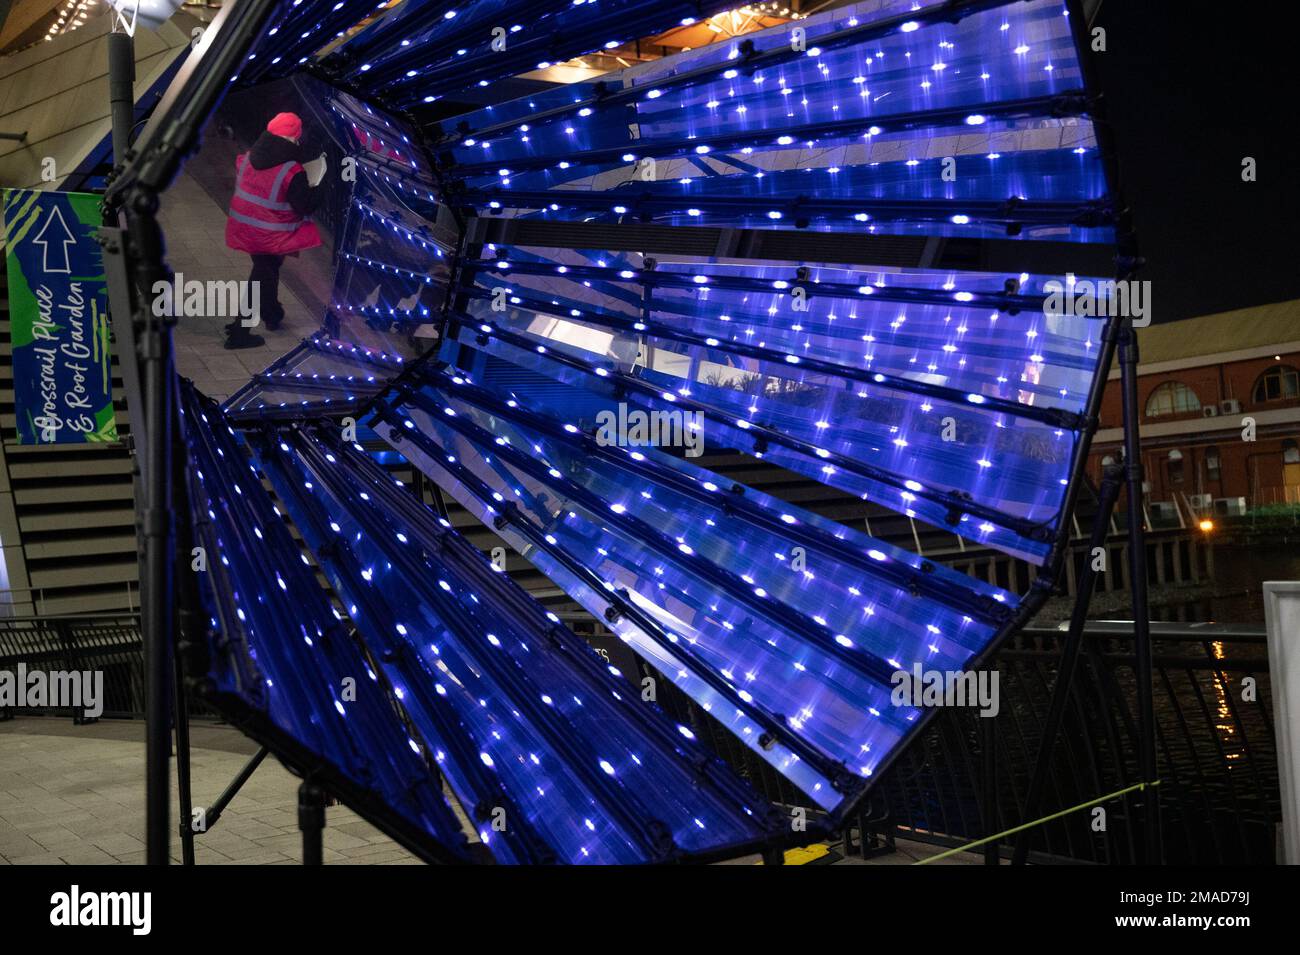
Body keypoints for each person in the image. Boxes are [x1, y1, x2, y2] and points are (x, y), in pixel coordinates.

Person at [223, 111, 325, 349]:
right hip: (270, 233)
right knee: (262, 275)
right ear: (294, 138)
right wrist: (320, 187)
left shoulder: (250, 157)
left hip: (246, 227)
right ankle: (239, 331)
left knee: (266, 271)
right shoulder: (291, 170)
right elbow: (305, 205)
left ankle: (272, 315)